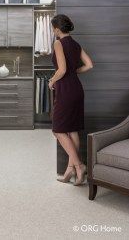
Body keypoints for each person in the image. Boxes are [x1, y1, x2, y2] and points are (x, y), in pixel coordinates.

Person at [49, 14, 93, 186]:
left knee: (58, 130)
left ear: (57, 29)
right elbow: (89, 65)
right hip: (77, 89)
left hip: (65, 90)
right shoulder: (75, 44)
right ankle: (70, 170)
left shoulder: (58, 43)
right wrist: (73, 73)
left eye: (53, 29)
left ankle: (79, 165)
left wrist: (52, 80)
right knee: (72, 130)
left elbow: (62, 69)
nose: (53, 32)